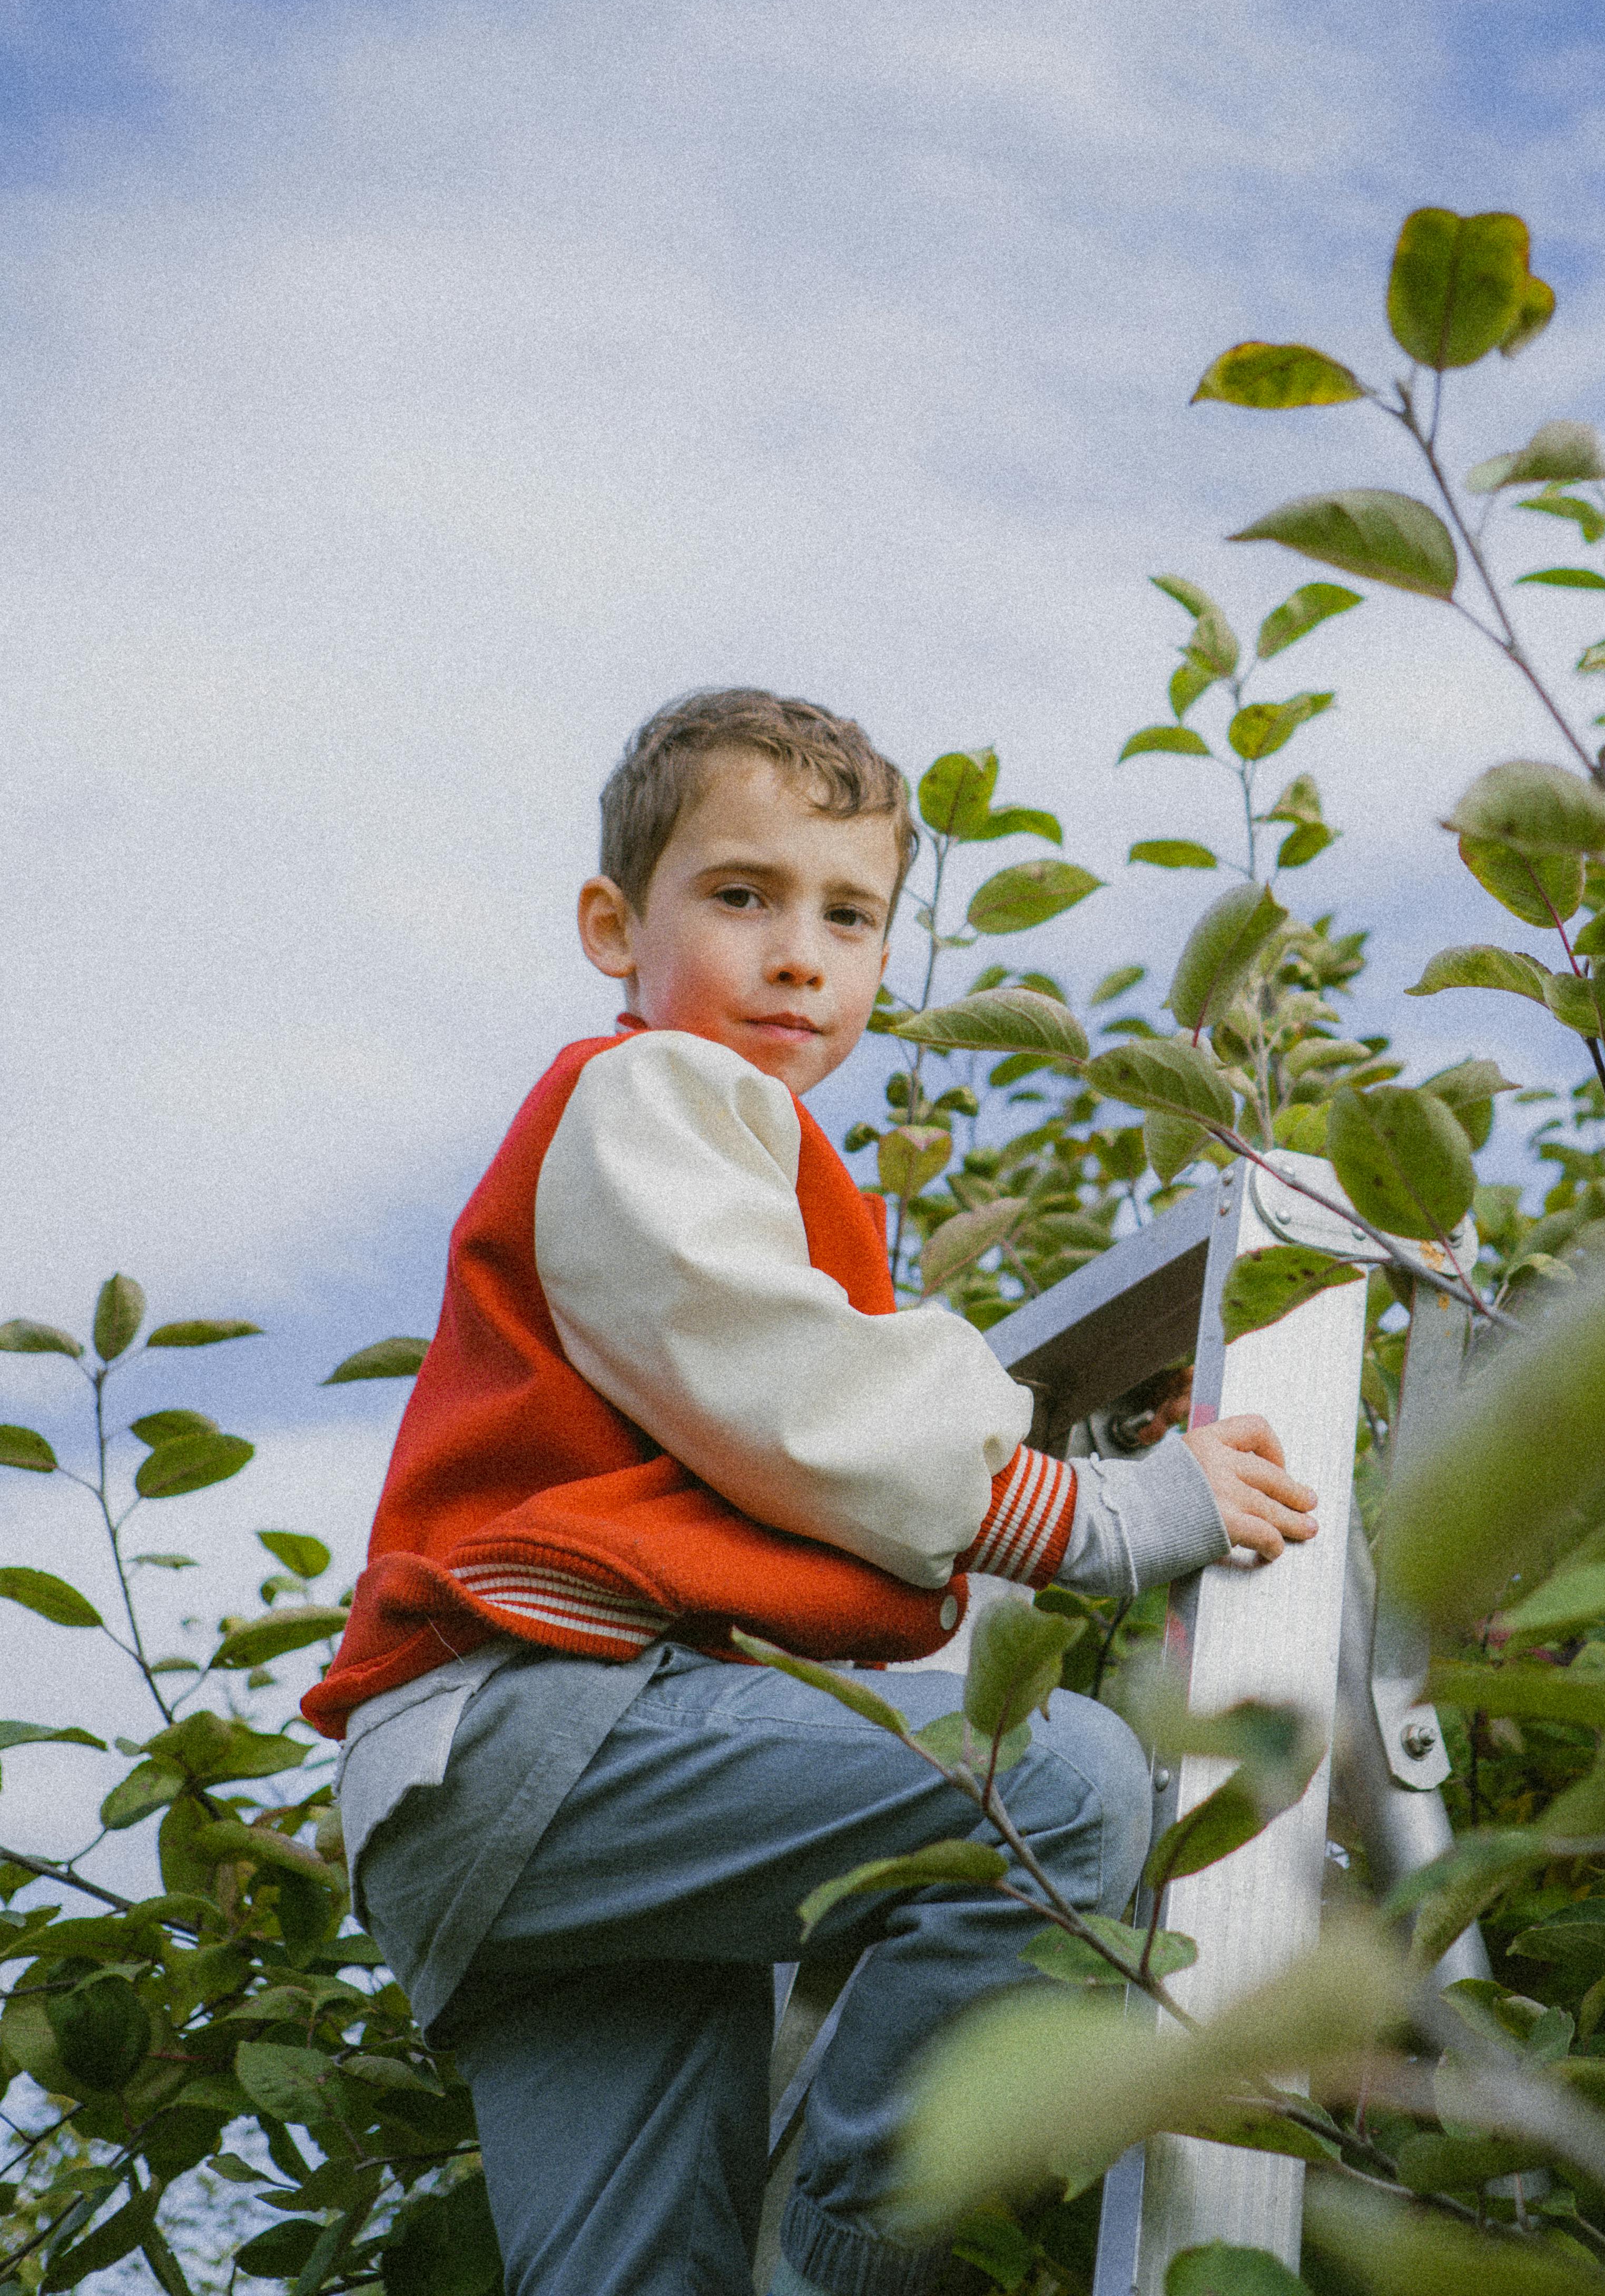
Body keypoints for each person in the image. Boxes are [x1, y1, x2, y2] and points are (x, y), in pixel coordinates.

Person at [304, 687, 1318, 2296]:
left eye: (851, 917)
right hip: (550, 1731)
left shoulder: (724, 1160)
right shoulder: (646, 1098)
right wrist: (1107, 1511)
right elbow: (787, 1382)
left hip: (491, 1832)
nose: (800, 955)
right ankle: (849, 2258)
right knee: (1054, 1795)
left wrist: (1087, 1454)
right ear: (610, 924)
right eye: (741, 897)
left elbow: (818, 1508)